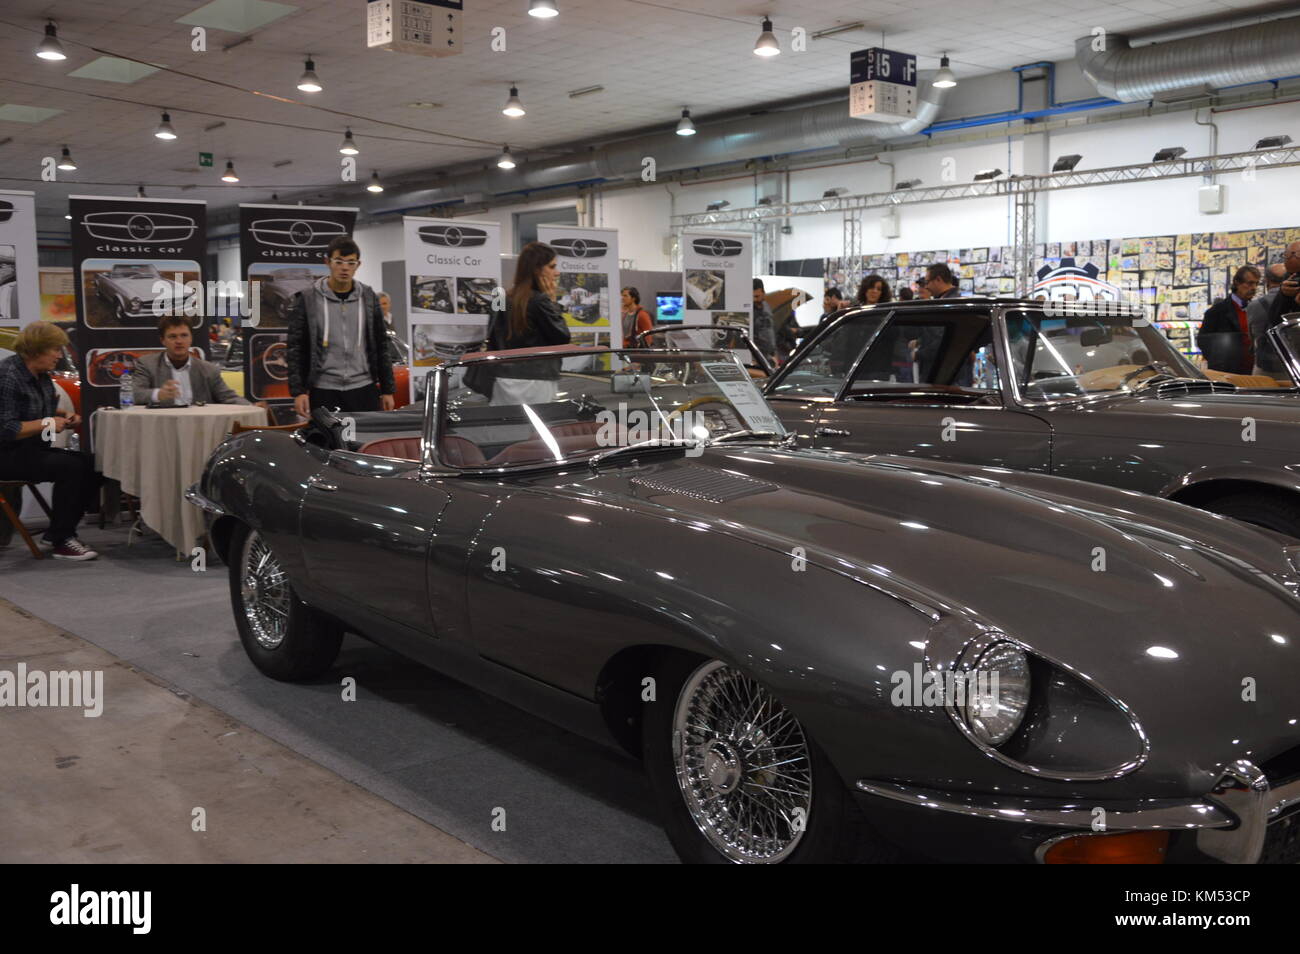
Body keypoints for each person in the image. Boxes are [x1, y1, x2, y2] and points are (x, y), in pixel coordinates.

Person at [0, 321, 97, 560]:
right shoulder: (8, 376)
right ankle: (63, 539)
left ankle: (58, 533)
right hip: (6, 454)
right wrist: (48, 423)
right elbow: (6, 428)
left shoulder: (42, 376)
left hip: (31, 450)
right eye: (54, 349)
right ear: (35, 350)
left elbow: (44, 411)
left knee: (95, 465)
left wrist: (66, 417)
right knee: (72, 467)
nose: (58, 355)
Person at [286, 235, 395, 417]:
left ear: (358, 265)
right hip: (323, 390)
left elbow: (381, 344)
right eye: (339, 261)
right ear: (327, 262)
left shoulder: (368, 297)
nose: (345, 267)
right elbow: (295, 347)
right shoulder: (308, 299)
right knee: (327, 443)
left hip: (364, 388)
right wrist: (298, 392)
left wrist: (387, 389)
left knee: (364, 444)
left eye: (351, 263)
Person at [485, 241, 571, 405]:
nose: (557, 272)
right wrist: (553, 302)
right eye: (552, 267)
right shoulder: (540, 300)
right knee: (538, 429)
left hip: (503, 381)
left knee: (507, 428)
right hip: (537, 380)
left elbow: (493, 341)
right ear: (537, 269)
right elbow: (562, 338)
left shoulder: (501, 298)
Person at [133, 316, 252, 406]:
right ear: (162, 340)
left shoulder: (209, 369)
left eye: (184, 335)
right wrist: (158, 394)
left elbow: (229, 397)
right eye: (172, 336)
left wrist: (252, 407)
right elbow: (135, 394)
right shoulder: (147, 364)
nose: (179, 341)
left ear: (191, 338)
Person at [1197, 265, 1260, 375]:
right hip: (1228, 374)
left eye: (1256, 283)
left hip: (1252, 372)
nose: (1254, 287)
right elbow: (1204, 341)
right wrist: (1221, 364)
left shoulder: (1255, 309)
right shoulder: (1217, 311)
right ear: (1237, 283)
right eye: (1249, 283)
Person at [1249, 264, 1288, 378]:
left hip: (1263, 368)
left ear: (1266, 280)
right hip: (1290, 368)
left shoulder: (1253, 306)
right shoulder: (1295, 301)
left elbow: (1251, 336)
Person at [751, 279, 777, 361]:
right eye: (752, 296)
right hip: (756, 355)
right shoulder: (750, 310)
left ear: (763, 293)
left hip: (768, 355)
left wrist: (774, 352)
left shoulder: (766, 307)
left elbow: (770, 330)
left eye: (757, 296)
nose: (754, 300)